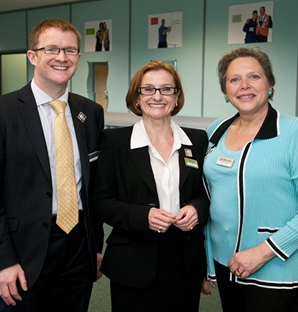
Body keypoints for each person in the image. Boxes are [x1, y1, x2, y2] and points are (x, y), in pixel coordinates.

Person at [0, 18, 105, 311]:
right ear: (32, 56)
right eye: (52, 49)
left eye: (70, 50)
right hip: (22, 250)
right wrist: (3, 260)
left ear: (79, 58)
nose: (62, 58)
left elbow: (92, 187)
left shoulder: (90, 112)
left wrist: (95, 247)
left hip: (77, 247)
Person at [201, 48, 298, 311]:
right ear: (225, 91)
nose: (244, 86)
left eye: (254, 77)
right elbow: (209, 198)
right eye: (234, 79)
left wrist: (261, 253)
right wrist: (205, 261)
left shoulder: (295, 133)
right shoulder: (215, 131)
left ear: (270, 84)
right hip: (224, 260)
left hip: (274, 263)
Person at [92, 60, 209, 312]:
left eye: (167, 89)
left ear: (177, 97)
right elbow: (100, 201)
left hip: (185, 258)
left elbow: (206, 193)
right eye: (148, 89)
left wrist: (198, 209)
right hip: (133, 260)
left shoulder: (197, 140)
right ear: (136, 98)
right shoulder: (115, 142)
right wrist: (142, 216)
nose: (158, 96)